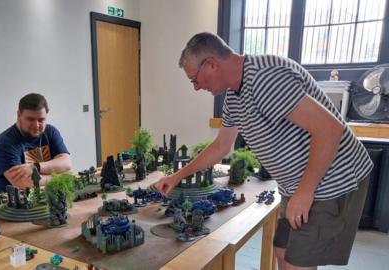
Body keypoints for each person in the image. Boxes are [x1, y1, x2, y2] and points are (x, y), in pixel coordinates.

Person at [156, 32, 373, 269]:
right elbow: (220, 146)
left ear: (211, 64)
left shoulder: (265, 78)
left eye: (194, 79)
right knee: (281, 250)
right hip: (298, 184)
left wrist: (304, 192)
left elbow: (330, 129)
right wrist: (177, 176)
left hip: (331, 180)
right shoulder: (234, 96)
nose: (196, 88)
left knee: (296, 263)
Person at [0, 93, 72, 194]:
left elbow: (66, 163)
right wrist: (60, 176)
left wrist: (35, 167)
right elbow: (23, 183)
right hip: (9, 204)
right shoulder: (4, 143)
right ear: (19, 115)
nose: (36, 125)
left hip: (44, 196)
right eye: (30, 119)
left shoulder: (51, 132)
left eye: (41, 120)